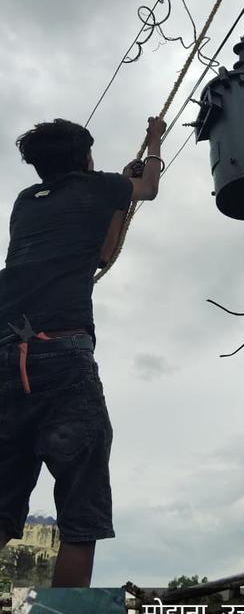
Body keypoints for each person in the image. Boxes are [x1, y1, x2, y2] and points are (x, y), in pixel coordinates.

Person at [0, 115, 166, 587]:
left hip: (7, 355)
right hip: (63, 353)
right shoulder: (101, 187)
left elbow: (102, 252)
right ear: (86, 158)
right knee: (80, 516)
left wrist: (117, 200)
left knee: (1, 508)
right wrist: (154, 140)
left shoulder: (24, 203)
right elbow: (149, 188)